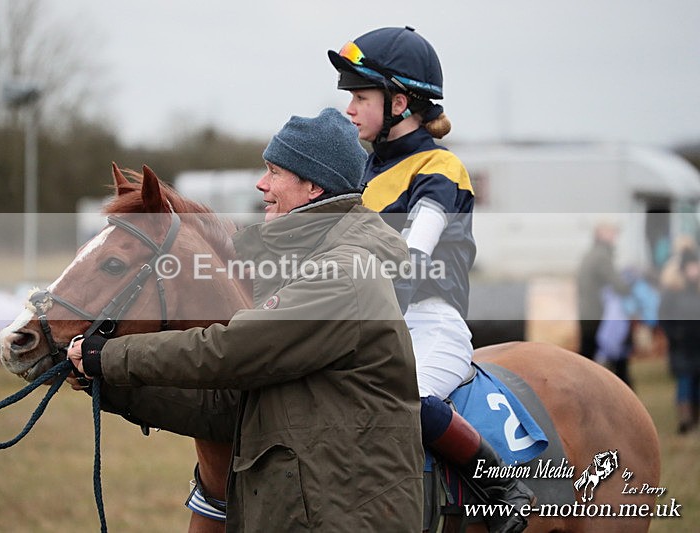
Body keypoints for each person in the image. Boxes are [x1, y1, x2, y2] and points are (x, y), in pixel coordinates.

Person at [68, 108, 424, 531]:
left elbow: (229, 350)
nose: (261, 183)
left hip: (343, 519)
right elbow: (230, 406)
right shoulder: (304, 266)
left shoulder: (343, 274)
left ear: (313, 186)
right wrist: (107, 385)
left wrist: (109, 357)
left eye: (275, 172)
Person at [328, 26, 533, 533]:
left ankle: (503, 487)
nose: (349, 109)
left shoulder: (440, 167)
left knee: (400, 401)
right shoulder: (363, 175)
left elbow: (412, 258)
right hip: (376, 323)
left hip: (429, 325)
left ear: (399, 103)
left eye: (360, 97)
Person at [659, 246, 700, 434]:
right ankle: (685, 419)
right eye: (691, 267)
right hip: (682, 345)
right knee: (685, 380)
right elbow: (664, 316)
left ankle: (695, 418)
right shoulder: (673, 291)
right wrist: (675, 335)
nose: (694, 270)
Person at [576, 220, 631, 359]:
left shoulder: (591, 253)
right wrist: (631, 285)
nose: (615, 235)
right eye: (611, 232)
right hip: (598, 313)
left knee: (587, 351)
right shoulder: (602, 256)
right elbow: (618, 284)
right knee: (600, 352)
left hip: (588, 311)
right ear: (600, 233)